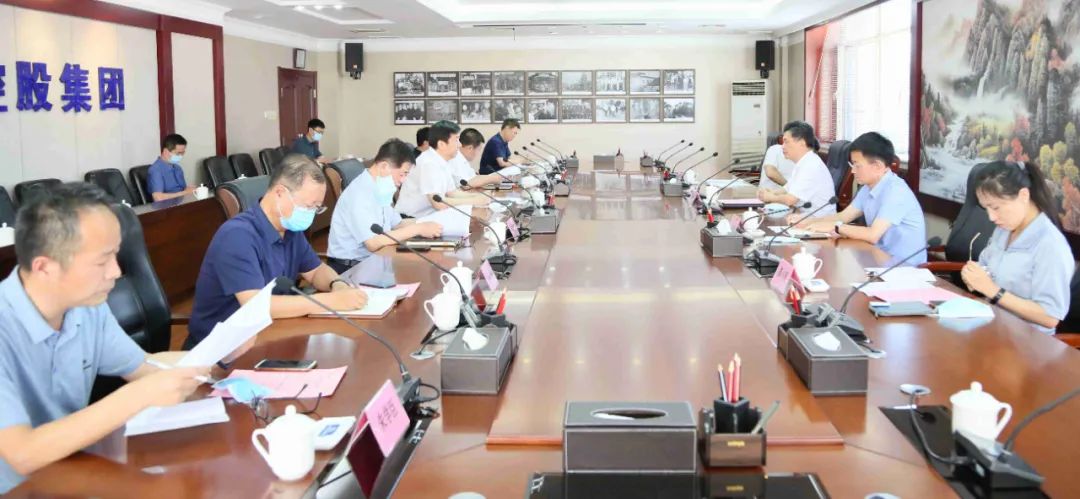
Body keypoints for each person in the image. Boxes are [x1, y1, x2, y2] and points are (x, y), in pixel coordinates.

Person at [0, 183, 250, 493]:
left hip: (72, 473)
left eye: (116, 256)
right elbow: (22, 453)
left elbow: (143, 366)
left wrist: (215, 353)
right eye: (102, 261)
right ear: (44, 267)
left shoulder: (86, 308)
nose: (117, 272)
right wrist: (138, 396)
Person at [187, 154, 368, 348]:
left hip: (271, 334)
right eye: (308, 206)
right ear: (280, 193)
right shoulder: (237, 236)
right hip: (222, 349)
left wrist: (337, 284)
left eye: (316, 208)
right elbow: (255, 306)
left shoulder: (289, 229)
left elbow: (316, 271)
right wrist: (330, 301)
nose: (311, 214)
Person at [960, 161, 1074, 334]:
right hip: (993, 326)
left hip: (1028, 341)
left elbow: (1050, 317)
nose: (991, 217)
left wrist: (993, 291)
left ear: (1023, 195)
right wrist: (974, 276)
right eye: (986, 208)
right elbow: (986, 266)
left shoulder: (1051, 245)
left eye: (996, 207)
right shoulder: (1004, 229)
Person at [799, 132, 927, 265]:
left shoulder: (896, 192)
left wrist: (837, 227)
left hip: (903, 268)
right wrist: (808, 222)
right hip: (878, 257)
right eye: (852, 165)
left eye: (857, 165)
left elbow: (873, 235)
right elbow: (843, 217)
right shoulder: (868, 187)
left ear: (877, 166)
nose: (853, 171)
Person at [326, 139, 443, 273]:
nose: (403, 180)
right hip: (351, 268)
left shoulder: (380, 188)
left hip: (375, 259)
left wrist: (432, 222)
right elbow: (373, 243)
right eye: (402, 174)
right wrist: (418, 229)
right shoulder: (360, 193)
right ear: (384, 166)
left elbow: (398, 223)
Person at [395, 120, 490, 218]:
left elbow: (452, 193)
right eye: (456, 140)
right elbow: (438, 203)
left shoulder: (443, 160)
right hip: (410, 218)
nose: (460, 145)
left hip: (429, 216)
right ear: (441, 144)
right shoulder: (428, 163)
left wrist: (479, 197)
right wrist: (474, 200)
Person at [757, 121, 836, 216]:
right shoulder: (803, 162)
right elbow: (788, 188)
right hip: (802, 217)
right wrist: (771, 192)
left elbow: (790, 200)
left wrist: (770, 197)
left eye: (786, 142)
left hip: (819, 221)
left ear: (802, 143)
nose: (783, 146)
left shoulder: (811, 165)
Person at [452, 128, 520, 188]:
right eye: (479, 150)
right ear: (470, 148)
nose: (479, 153)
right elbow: (466, 185)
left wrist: (498, 178)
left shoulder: (462, 159)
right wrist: (492, 179)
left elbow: (474, 177)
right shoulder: (456, 160)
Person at [147, 134, 195, 202]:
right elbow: (158, 198)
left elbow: (182, 190)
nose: (180, 156)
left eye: (183, 153)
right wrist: (185, 192)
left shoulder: (178, 168)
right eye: (178, 153)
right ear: (166, 152)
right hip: (166, 207)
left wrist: (189, 190)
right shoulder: (155, 170)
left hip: (182, 203)